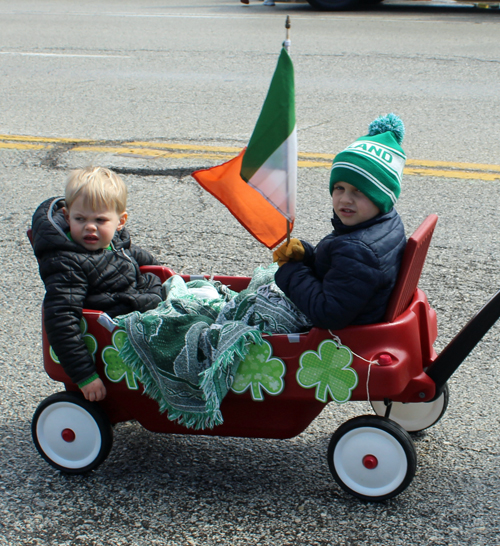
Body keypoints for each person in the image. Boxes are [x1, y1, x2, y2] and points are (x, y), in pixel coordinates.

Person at [31, 166, 163, 402]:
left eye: (100, 220)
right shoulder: (66, 263)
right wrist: (85, 376)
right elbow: (61, 320)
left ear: (120, 221)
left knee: (170, 287)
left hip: (134, 301)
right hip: (112, 326)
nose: (90, 227)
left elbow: (131, 256)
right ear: (67, 215)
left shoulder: (113, 241)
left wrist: (164, 271)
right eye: (80, 219)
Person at [273, 114, 407, 331]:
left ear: (381, 197)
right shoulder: (381, 222)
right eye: (339, 188)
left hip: (341, 341)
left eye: (359, 191)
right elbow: (342, 273)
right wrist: (307, 256)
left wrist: (291, 271)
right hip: (358, 312)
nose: (345, 199)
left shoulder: (358, 250)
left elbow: (327, 314)